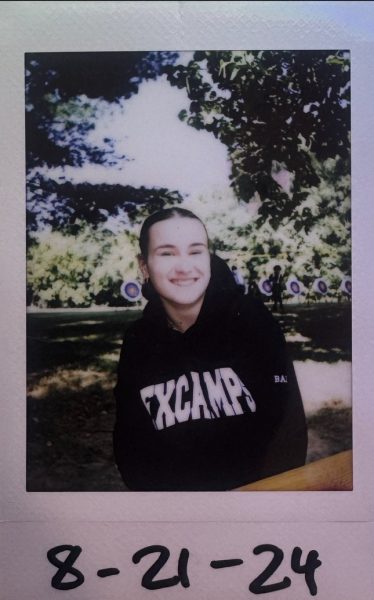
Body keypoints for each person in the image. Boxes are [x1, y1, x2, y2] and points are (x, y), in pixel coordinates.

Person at [113, 208, 307, 491]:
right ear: (144, 266)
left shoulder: (251, 320)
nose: (184, 266)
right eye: (167, 253)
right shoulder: (138, 340)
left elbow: (287, 430)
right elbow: (130, 443)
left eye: (195, 251)